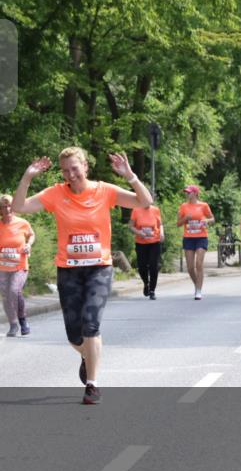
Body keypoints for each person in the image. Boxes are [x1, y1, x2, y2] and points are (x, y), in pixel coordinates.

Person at [12, 147, 151, 405]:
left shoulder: (104, 190)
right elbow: (19, 206)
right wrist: (27, 177)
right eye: (65, 171)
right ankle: (88, 355)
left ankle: (92, 384)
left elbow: (145, 202)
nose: (70, 175)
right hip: (69, 270)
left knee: (91, 324)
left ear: (85, 166)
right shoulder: (56, 193)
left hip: (99, 267)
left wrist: (130, 176)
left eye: (75, 168)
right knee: (74, 335)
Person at [0, 195, 36, 337]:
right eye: (3, 207)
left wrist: (28, 244)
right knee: (5, 296)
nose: (7, 209)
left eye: (9, 206)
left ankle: (23, 320)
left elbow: (32, 235)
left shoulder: (22, 223)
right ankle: (13, 324)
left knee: (14, 291)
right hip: (1, 266)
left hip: (19, 265)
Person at [177, 185, 215, 300]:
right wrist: (185, 219)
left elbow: (213, 219)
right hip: (188, 238)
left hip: (201, 237)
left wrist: (206, 221)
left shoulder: (203, 205)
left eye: (189, 192)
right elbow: (178, 223)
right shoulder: (183, 206)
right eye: (186, 192)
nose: (187, 194)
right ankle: (197, 284)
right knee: (189, 267)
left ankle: (198, 290)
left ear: (195, 193)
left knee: (199, 263)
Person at [129, 202, 164, 300]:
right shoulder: (136, 210)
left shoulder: (155, 210)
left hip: (154, 241)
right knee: (142, 267)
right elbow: (131, 226)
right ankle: (146, 283)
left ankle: (152, 290)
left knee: (154, 266)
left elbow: (160, 224)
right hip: (141, 243)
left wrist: (162, 233)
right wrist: (139, 232)